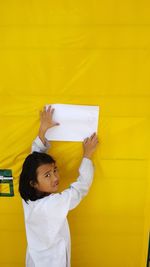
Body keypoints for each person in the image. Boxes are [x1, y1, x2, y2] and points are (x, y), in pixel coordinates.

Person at [19, 105, 99, 267]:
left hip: (34, 261)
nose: (55, 177)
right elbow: (80, 189)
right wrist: (87, 155)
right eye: (48, 175)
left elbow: (34, 162)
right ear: (33, 183)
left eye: (55, 170)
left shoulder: (27, 198)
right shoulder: (52, 204)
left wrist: (42, 131)